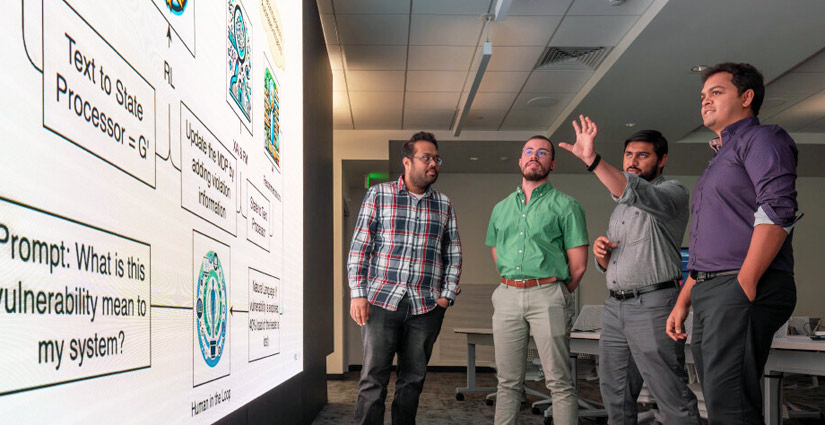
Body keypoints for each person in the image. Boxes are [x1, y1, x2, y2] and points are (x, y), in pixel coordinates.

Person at [666, 63, 799, 424]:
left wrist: (747, 281)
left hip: (740, 283)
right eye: (703, 96)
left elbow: (778, 208)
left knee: (731, 403)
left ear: (747, 97)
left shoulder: (762, 139)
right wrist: (683, 300)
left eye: (717, 92)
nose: (705, 101)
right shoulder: (720, 157)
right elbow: (708, 243)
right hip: (713, 287)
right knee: (721, 398)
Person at [560, 116, 700, 424]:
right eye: (628, 155)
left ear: (662, 159)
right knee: (614, 392)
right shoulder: (620, 206)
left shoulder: (673, 192)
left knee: (670, 393)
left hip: (653, 304)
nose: (633, 161)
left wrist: (591, 159)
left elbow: (635, 191)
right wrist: (603, 258)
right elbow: (628, 257)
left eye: (643, 155)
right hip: (615, 306)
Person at [347, 131, 461, 425]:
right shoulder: (379, 194)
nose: (433, 163)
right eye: (426, 158)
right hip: (382, 301)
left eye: (437, 158)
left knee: (412, 382)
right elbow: (361, 246)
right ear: (407, 162)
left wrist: (446, 297)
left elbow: (454, 253)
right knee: (373, 379)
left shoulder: (444, 204)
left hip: (426, 307)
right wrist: (358, 293)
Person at [485, 135, 588, 425]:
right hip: (507, 295)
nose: (534, 156)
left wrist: (554, 292)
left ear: (552, 163)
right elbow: (497, 254)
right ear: (520, 161)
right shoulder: (500, 208)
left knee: (558, 381)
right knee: (507, 382)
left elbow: (578, 266)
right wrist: (515, 285)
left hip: (548, 294)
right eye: (528, 151)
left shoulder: (567, 206)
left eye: (542, 152)